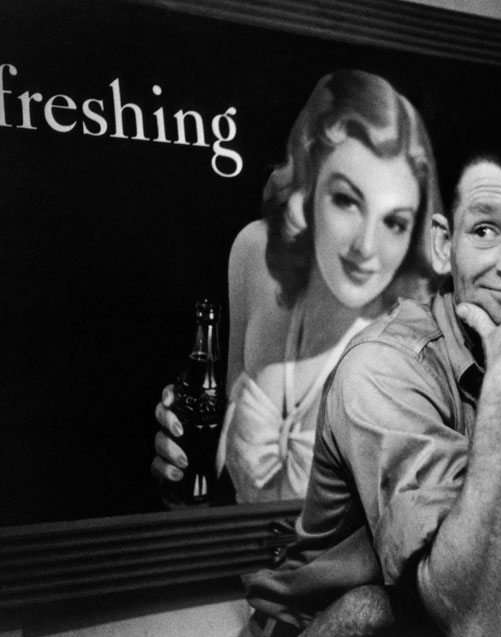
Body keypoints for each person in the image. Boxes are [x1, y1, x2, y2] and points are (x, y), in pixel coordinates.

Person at [243, 124, 501, 636]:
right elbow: (476, 620)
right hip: (327, 627)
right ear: (445, 245)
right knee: (368, 612)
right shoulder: (382, 365)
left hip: (494, 611)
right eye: (485, 230)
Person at [151, 69, 442, 505]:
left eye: (395, 222)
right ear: (308, 185)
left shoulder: (413, 337)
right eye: (347, 200)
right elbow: (221, 456)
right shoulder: (253, 250)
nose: (366, 247)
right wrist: (181, 468)